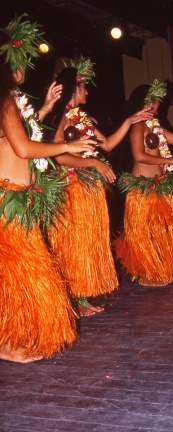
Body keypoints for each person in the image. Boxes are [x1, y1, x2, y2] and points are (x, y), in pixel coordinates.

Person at [0, 15, 95, 363]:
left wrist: (44, 109)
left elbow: (16, 139)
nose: (24, 69)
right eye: (21, 62)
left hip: (16, 199)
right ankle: (7, 345)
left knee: (22, 275)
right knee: (15, 276)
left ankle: (14, 337)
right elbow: (23, 149)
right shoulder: (5, 101)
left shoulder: (10, 102)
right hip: (8, 201)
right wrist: (66, 148)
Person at [45, 56, 153, 316]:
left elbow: (107, 145)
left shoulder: (83, 118)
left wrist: (129, 121)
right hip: (70, 188)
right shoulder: (62, 117)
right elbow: (57, 155)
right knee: (73, 243)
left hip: (87, 190)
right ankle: (74, 299)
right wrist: (93, 163)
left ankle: (81, 295)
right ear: (75, 89)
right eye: (84, 87)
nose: (88, 91)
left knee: (87, 242)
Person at [113, 79, 173, 286]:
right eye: (151, 101)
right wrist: (169, 160)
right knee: (145, 233)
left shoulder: (155, 126)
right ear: (142, 103)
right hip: (143, 186)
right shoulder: (138, 127)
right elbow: (139, 156)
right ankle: (146, 273)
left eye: (156, 102)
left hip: (159, 184)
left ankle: (158, 267)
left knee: (161, 231)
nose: (155, 105)